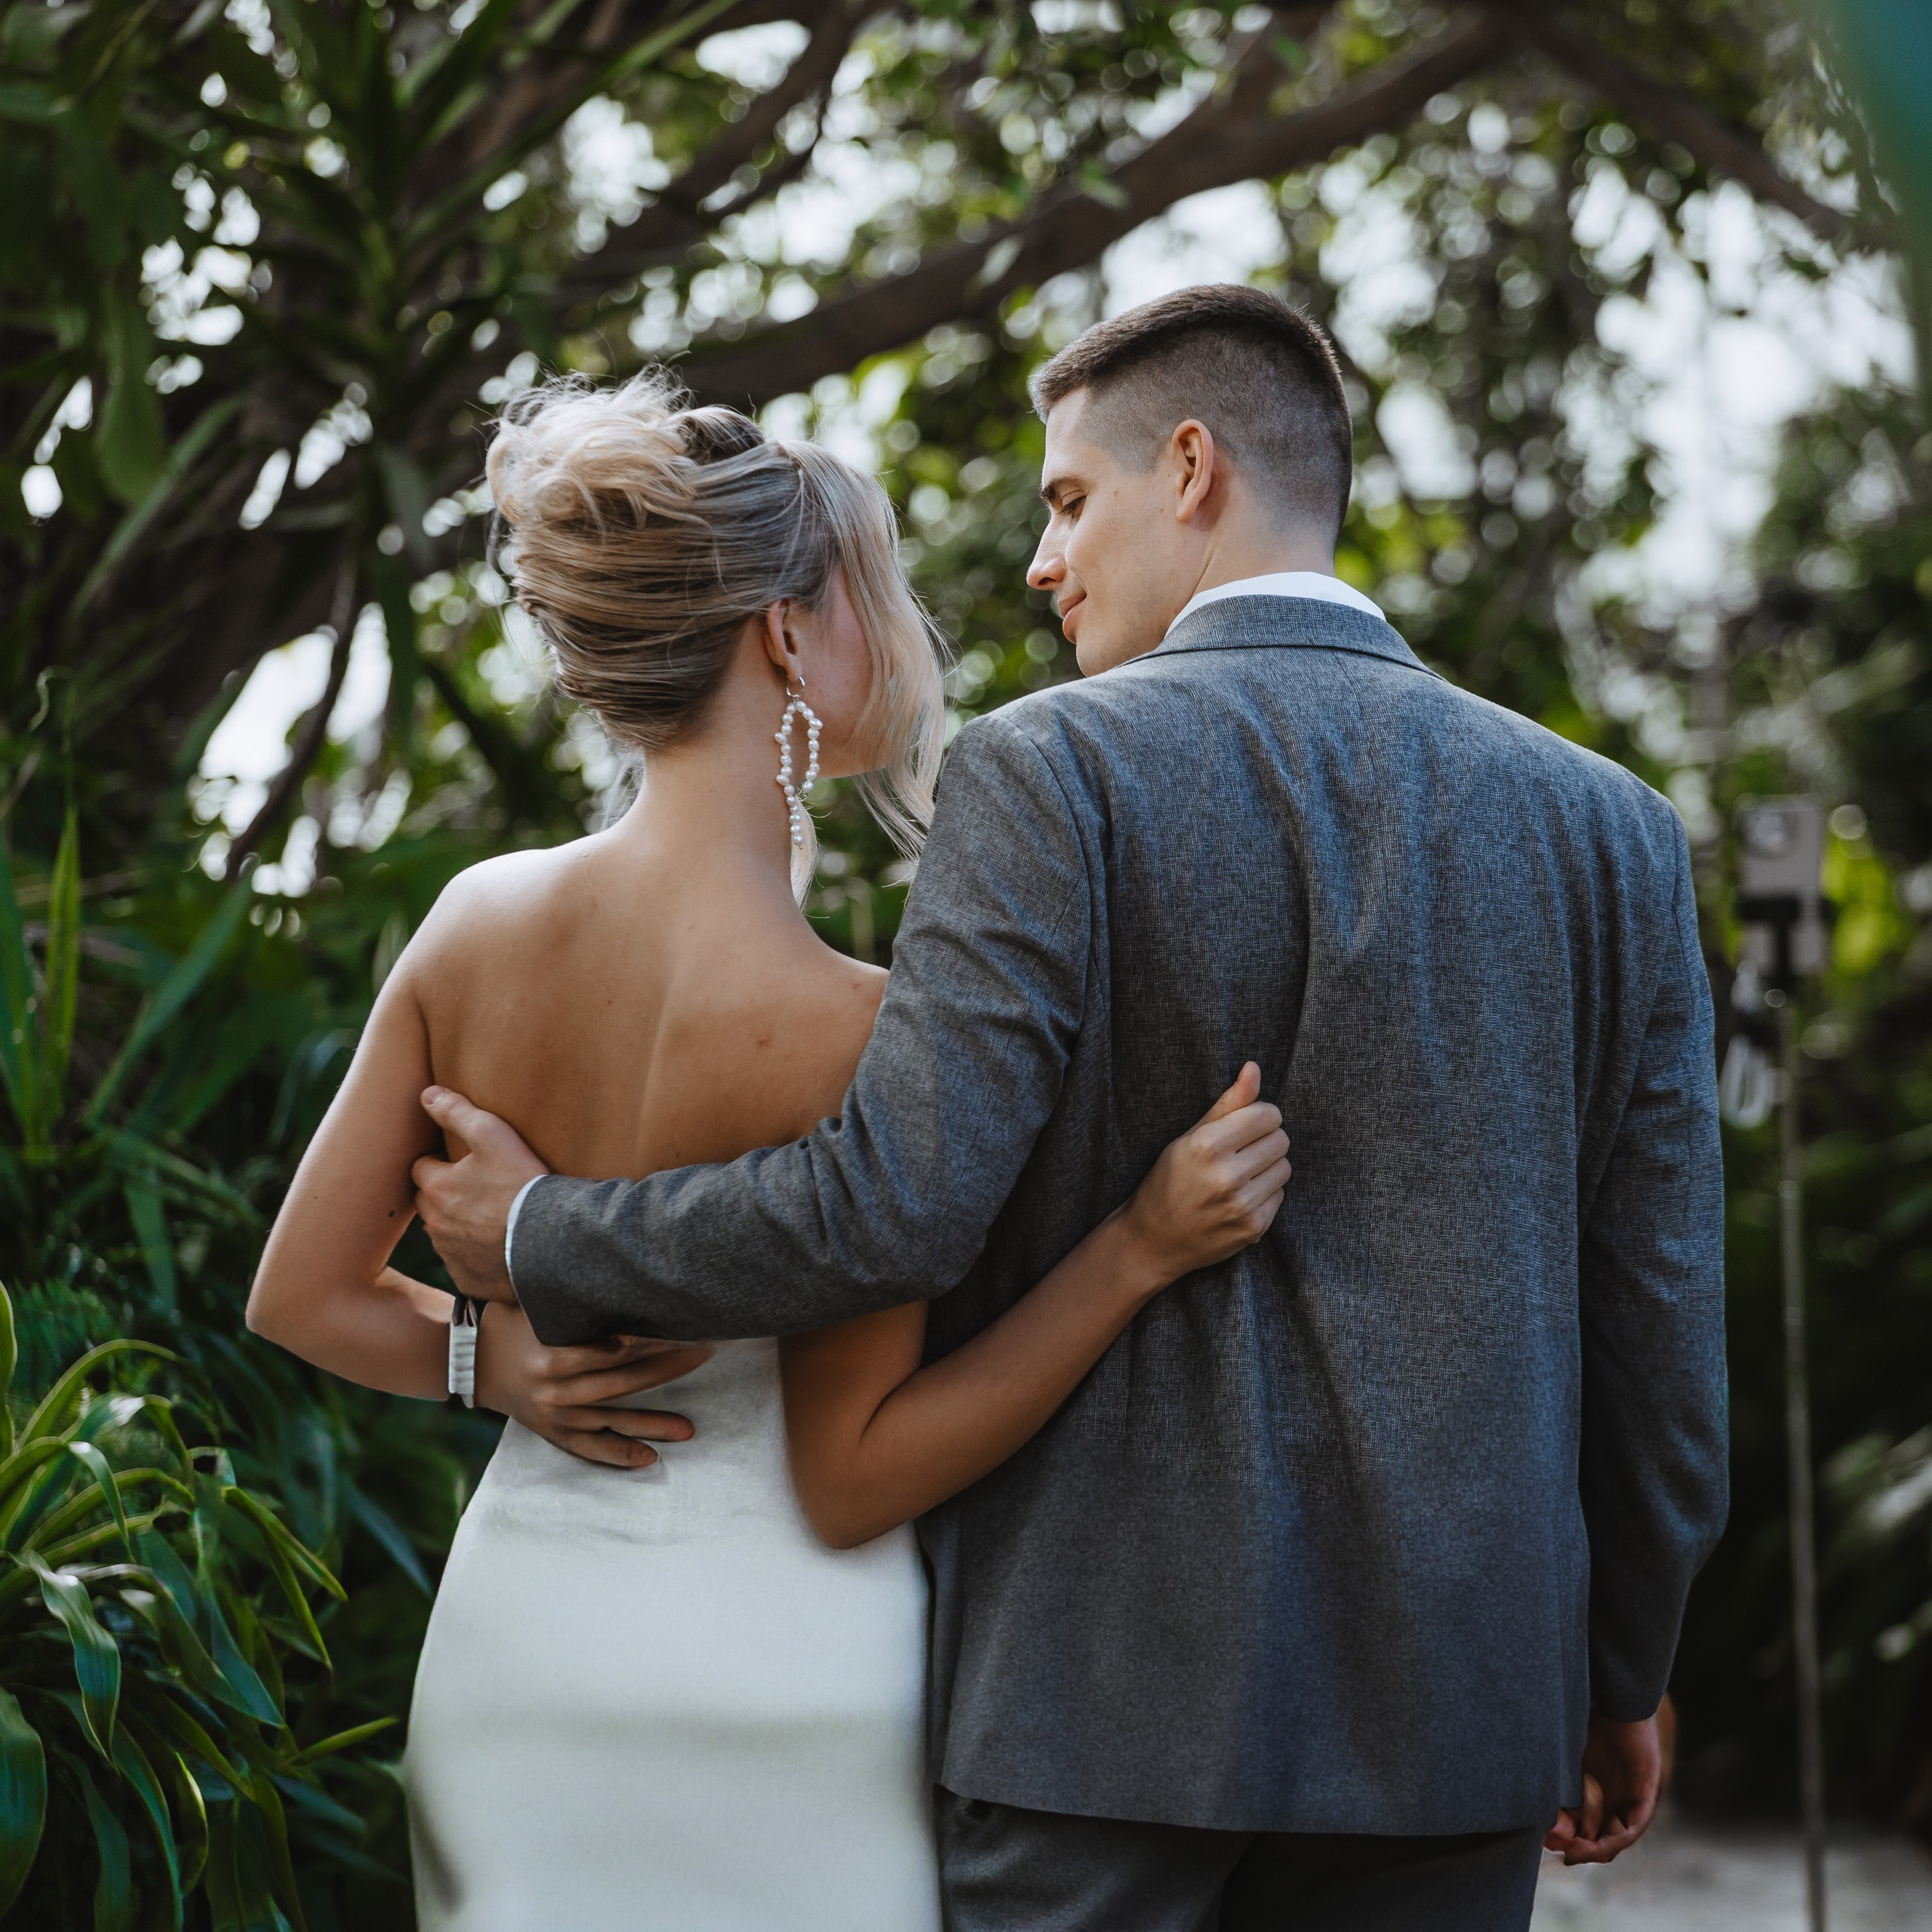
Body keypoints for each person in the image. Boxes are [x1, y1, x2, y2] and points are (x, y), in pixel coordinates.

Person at [415, 285, 1730, 1932]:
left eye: (1066, 498)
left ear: (1188, 467)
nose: (1041, 561)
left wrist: (545, 1230)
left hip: (1090, 1711)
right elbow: (1661, 1317)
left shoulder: (1045, 774)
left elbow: (892, 1202)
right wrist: (1620, 1665)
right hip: (1458, 1705)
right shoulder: (1608, 831)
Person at [245, 372, 1292, 1932]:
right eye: (868, 590)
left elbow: (302, 1295)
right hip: (780, 1675)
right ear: (784, 634)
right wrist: (1137, 1246)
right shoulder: (859, 1022)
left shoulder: (475, 926)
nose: (900, 631)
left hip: (521, 1655)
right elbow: (855, 1473)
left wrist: (494, 1366)